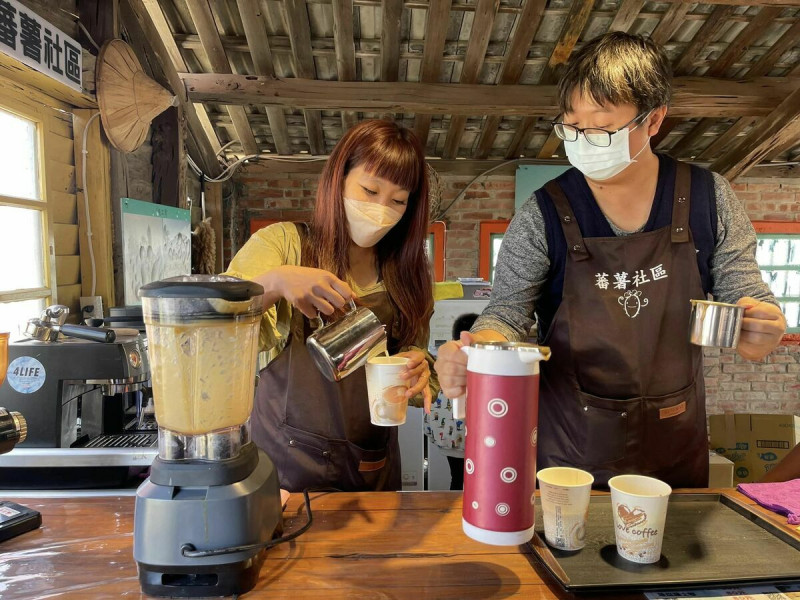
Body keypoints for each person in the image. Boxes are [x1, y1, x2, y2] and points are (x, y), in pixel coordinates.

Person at [434, 32, 787, 489]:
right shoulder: (544, 212)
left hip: (673, 439)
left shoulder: (708, 198)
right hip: (572, 448)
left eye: (600, 128)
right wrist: (476, 349)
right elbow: (508, 312)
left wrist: (762, 322)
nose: (582, 141)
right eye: (571, 126)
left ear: (654, 119)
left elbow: (747, 291)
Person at [225, 120, 438, 492]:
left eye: (398, 200)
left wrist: (420, 373)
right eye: (370, 190)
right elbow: (219, 326)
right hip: (285, 469)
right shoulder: (283, 244)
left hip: (370, 467)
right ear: (338, 179)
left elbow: (414, 359)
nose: (380, 210)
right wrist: (275, 283)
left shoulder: (410, 274)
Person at [425, 313, 478, 490]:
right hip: (472, 442)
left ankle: (456, 514)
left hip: (448, 440)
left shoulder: (447, 365)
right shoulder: (481, 368)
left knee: (456, 478)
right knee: (476, 481)